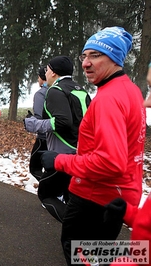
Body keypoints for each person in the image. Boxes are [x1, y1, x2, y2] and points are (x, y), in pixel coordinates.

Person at [40, 27, 145, 265]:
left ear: (115, 57)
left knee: (82, 258)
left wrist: (58, 160)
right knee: (100, 258)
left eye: (95, 55)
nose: (86, 63)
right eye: (84, 56)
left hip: (95, 198)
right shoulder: (130, 90)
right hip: (118, 195)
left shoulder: (108, 99)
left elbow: (110, 162)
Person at [24, 56, 91, 223]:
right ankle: (80, 230)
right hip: (82, 149)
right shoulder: (80, 89)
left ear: (53, 72)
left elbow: (62, 121)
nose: (45, 72)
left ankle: (77, 229)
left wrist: (34, 124)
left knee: (45, 194)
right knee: (71, 195)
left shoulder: (55, 90)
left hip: (63, 151)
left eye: (46, 69)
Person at [26, 66, 48, 180]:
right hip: (61, 139)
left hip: (44, 138)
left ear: (42, 77)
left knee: (35, 169)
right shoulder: (60, 91)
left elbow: (40, 117)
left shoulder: (41, 94)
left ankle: (51, 193)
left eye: (38, 77)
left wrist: (30, 119)